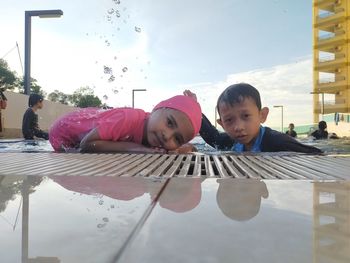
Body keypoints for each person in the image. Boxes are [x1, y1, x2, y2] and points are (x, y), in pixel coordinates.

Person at [184, 83, 322, 153]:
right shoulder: (231, 142)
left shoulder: (277, 142)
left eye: (245, 116)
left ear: (262, 115)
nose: (238, 127)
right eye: (229, 120)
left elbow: (314, 154)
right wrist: (194, 108)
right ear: (222, 124)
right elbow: (212, 137)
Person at [49, 95, 202, 153]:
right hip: (63, 131)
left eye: (177, 139)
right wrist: (138, 149)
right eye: (169, 123)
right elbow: (86, 144)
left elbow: (174, 151)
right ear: (156, 108)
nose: (167, 136)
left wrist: (187, 148)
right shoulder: (128, 118)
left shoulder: (159, 138)